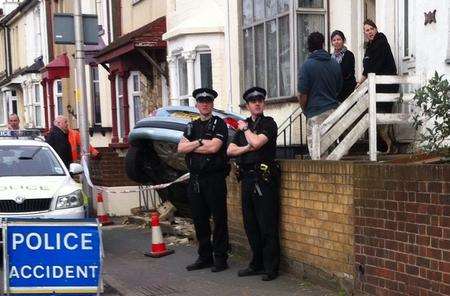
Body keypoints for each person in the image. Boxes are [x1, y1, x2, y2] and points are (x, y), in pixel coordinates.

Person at [227, 87, 280, 281]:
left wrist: (247, 132)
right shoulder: (244, 125)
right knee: (251, 225)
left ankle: (271, 268)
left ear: (263, 103)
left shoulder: (268, 123)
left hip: (264, 180)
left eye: (260, 100)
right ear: (248, 105)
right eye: (253, 101)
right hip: (246, 179)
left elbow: (258, 144)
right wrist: (246, 147)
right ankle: (256, 264)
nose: (257, 103)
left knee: (267, 225)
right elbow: (230, 151)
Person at [177, 88, 229, 273]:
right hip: (196, 180)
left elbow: (214, 148)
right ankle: (204, 257)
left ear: (212, 104)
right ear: (197, 105)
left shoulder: (219, 124)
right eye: (201, 101)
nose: (205, 104)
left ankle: (221, 258)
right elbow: (180, 148)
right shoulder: (191, 126)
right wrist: (200, 142)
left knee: (219, 219)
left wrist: (193, 145)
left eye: (208, 101)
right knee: (200, 220)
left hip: (214, 179)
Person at [297, 32, 342, 158]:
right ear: (323, 44)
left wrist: (304, 109)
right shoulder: (334, 64)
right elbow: (339, 87)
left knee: (318, 156)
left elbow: (302, 94)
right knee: (333, 154)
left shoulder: (306, 66)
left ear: (309, 47)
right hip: (333, 112)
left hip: (315, 113)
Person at [357, 19, 398, 153]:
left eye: (371, 29)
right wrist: (359, 83)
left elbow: (376, 66)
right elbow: (367, 69)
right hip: (376, 85)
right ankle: (385, 146)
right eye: (366, 30)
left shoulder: (381, 43)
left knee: (380, 116)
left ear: (376, 29)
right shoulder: (370, 46)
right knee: (376, 116)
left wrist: (367, 79)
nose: (369, 32)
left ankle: (386, 146)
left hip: (385, 86)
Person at [331, 30, 356, 102]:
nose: (336, 42)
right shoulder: (330, 57)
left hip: (346, 91)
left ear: (343, 40)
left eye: (339, 39)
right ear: (332, 43)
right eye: (334, 40)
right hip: (333, 93)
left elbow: (347, 73)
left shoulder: (349, 55)